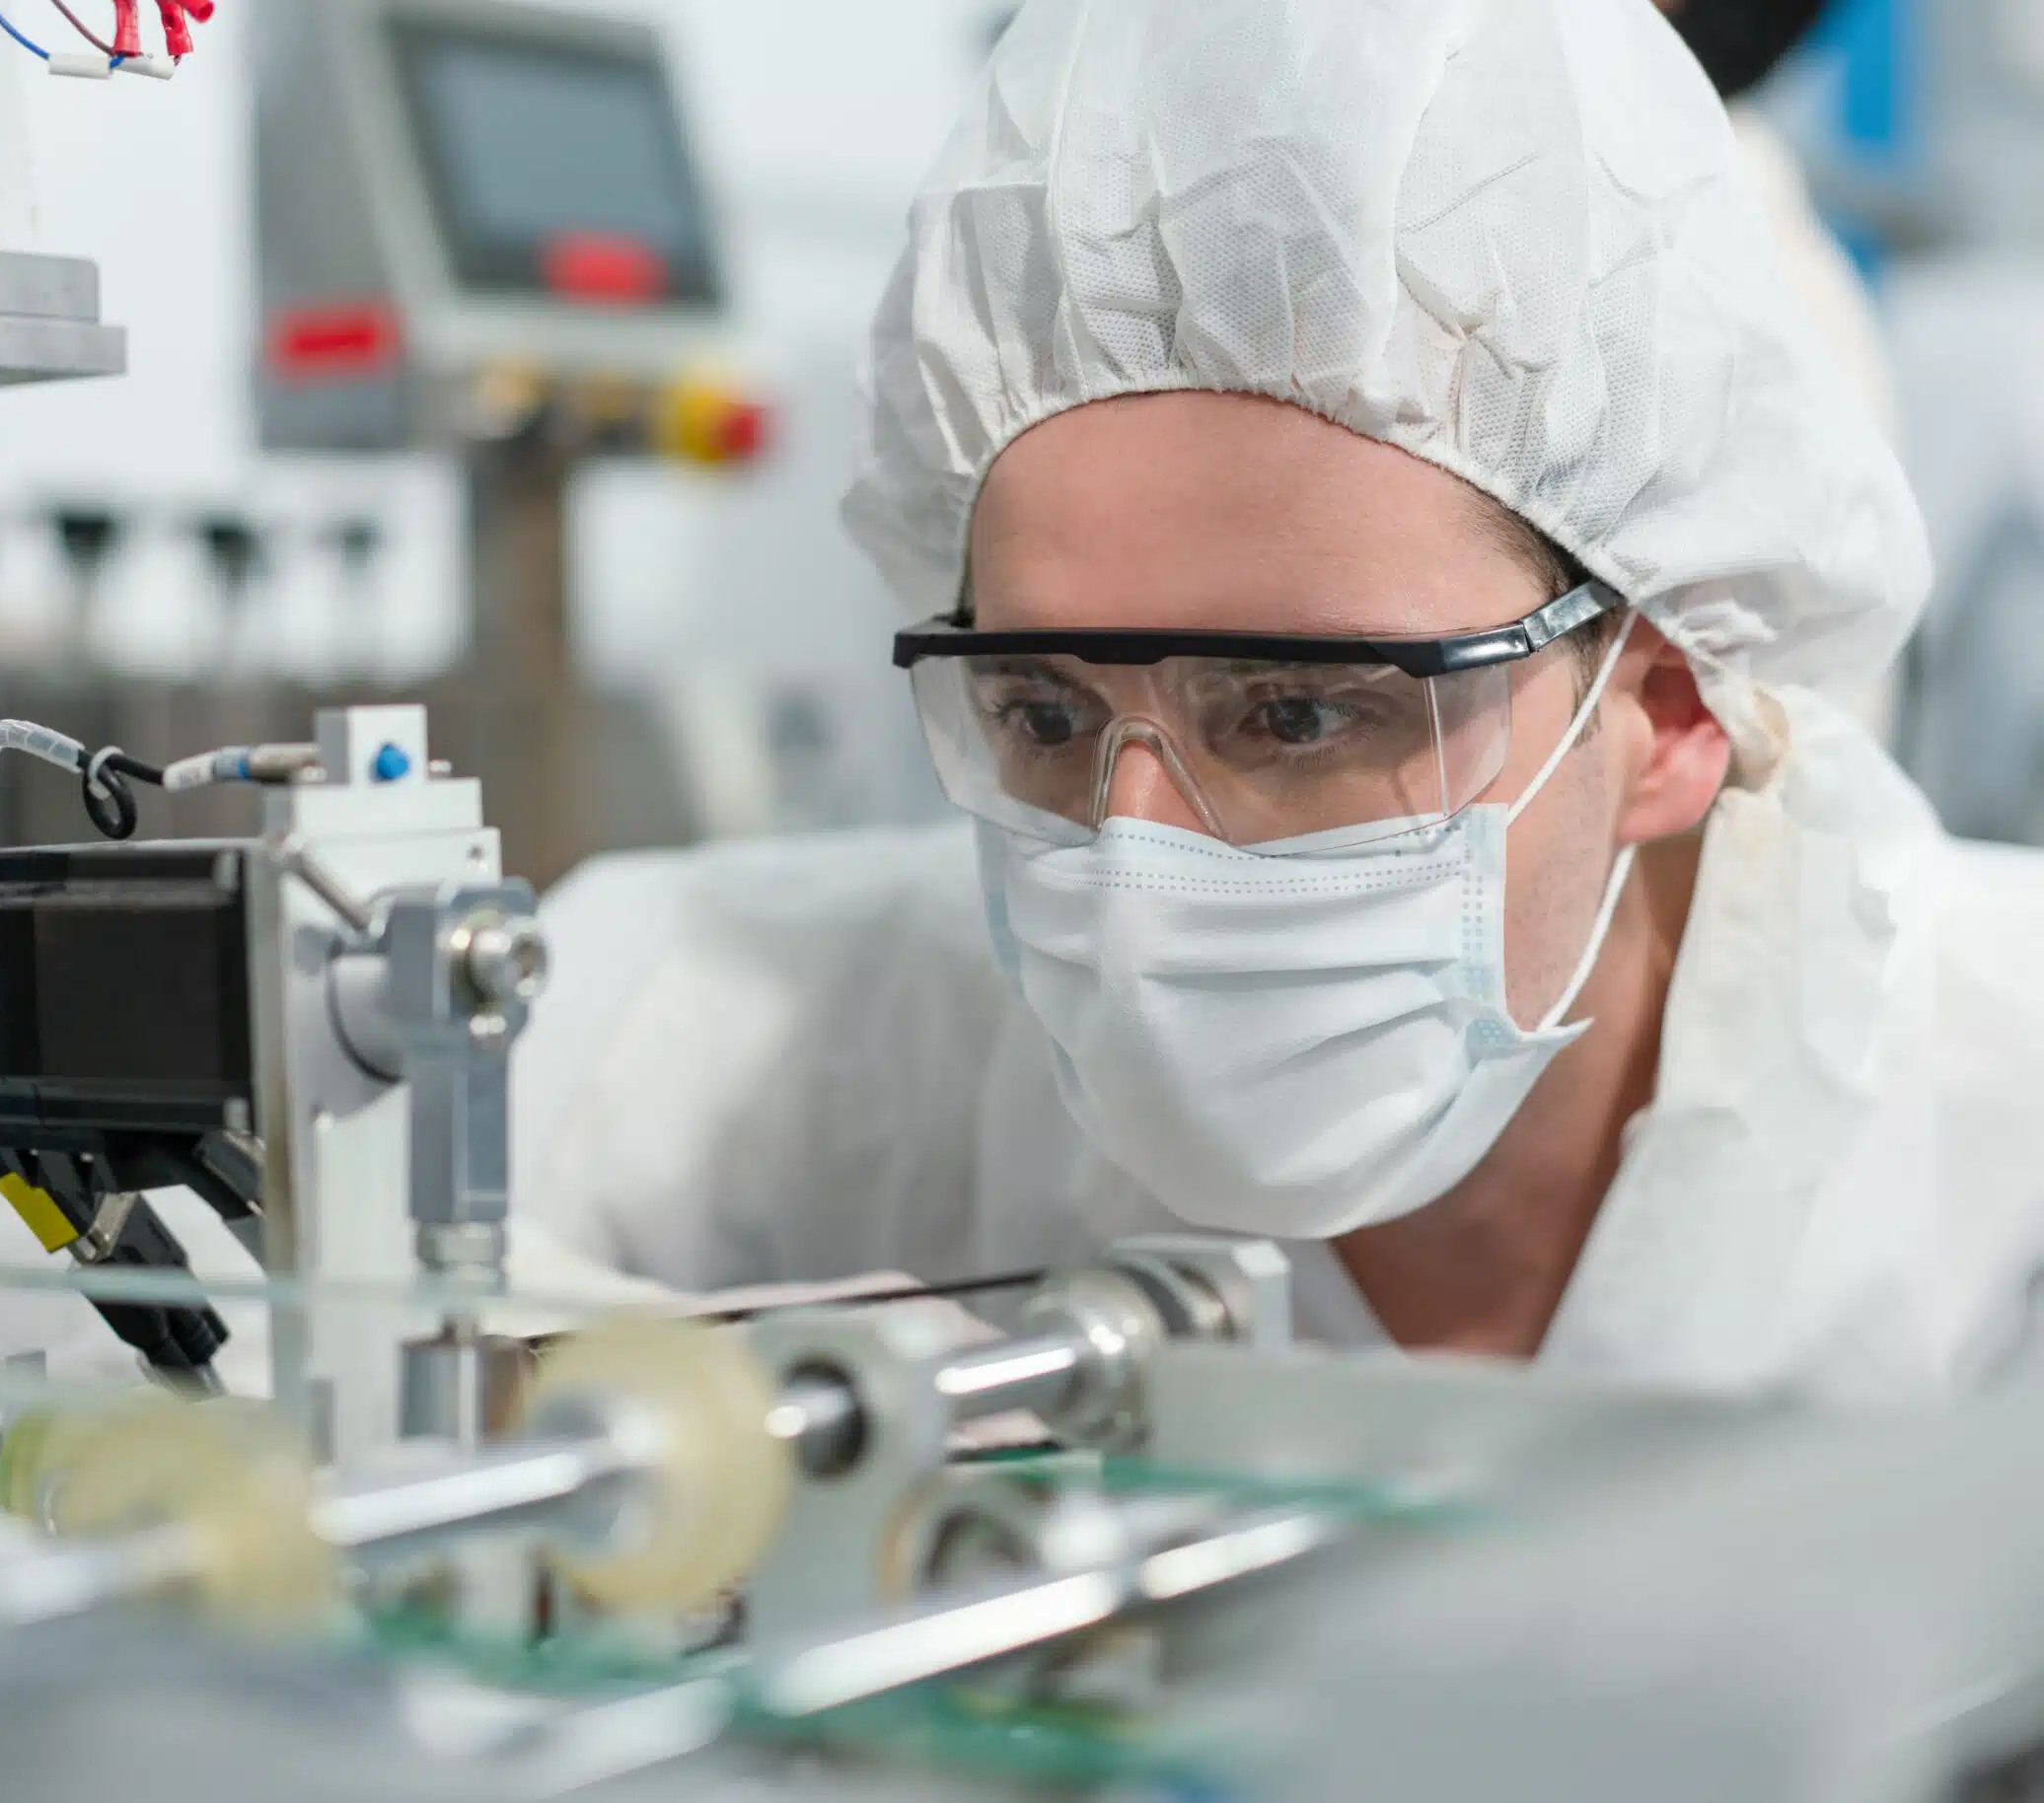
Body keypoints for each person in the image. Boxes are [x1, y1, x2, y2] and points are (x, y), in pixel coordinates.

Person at [509, 0, 2044, 1405]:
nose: (1134, 874)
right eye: (1042, 708)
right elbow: (325, 1205)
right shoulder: (841, 1043)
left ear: (1671, 709)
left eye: (1299, 716)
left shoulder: (1993, 1140)